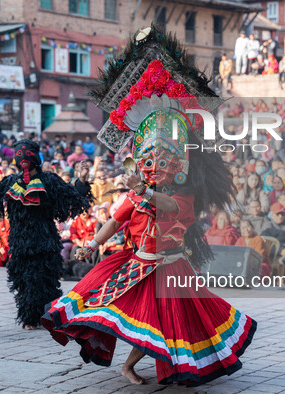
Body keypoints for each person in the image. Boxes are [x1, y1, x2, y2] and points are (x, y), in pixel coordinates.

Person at [42, 27, 256, 386]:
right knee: (119, 313)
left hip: (170, 267)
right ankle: (130, 364)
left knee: (171, 323)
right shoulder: (136, 194)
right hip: (135, 264)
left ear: (177, 165)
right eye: (148, 159)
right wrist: (93, 244)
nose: (154, 164)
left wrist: (145, 190)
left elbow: (169, 204)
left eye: (162, 159)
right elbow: (114, 221)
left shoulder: (182, 196)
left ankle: (133, 365)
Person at [0, 140, 92, 329]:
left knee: (46, 279)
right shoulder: (11, 181)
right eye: (19, 153)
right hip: (20, 241)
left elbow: (74, 198)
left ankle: (48, 315)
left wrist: (83, 180)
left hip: (46, 240)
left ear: (36, 157)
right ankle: (29, 317)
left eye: (27, 153)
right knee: (24, 279)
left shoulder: (50, 181)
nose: (23, 157)